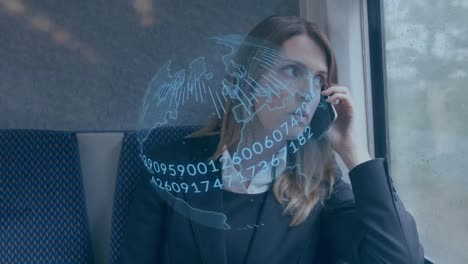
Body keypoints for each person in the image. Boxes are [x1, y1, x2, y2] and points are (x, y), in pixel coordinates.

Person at [119, 15, 425, 264]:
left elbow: (400, 259)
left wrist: (352, 150)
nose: (307, 92)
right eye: (292, 71)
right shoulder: (170, 167)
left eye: (319, 79)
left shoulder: (319, 181)